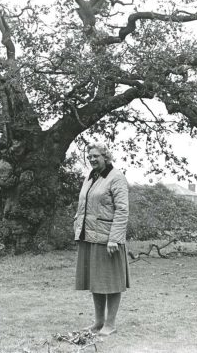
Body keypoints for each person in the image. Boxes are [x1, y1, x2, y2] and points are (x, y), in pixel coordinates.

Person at [74, 142, 130, 336]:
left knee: (111, 282)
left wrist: (114, 238)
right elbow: (83, 206)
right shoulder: (91, 177)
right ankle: (98, 323)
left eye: (95, 156)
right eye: (89, 156)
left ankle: (110, 324)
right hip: (90, 237)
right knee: (96, 281)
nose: (91, 159)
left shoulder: (116, 177)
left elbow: (122, 210)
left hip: (108, 240)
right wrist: (77, 228)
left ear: (106, 157)